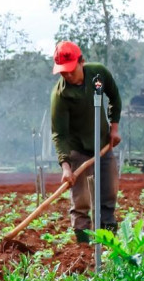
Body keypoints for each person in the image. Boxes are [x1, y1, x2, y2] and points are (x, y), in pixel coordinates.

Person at [49, 41, 122, 243]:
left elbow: (115, 97)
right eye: (63, 72)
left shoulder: (98, 75)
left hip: (103, 146)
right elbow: (59, 134)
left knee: (108, 194)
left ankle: (108, 243)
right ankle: (82, 244)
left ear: (82, 61)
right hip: (77, 150)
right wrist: (66, 167)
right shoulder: (60, 95)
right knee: (81, 200)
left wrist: (114, 129)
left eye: (71, 70)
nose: (67, 75)